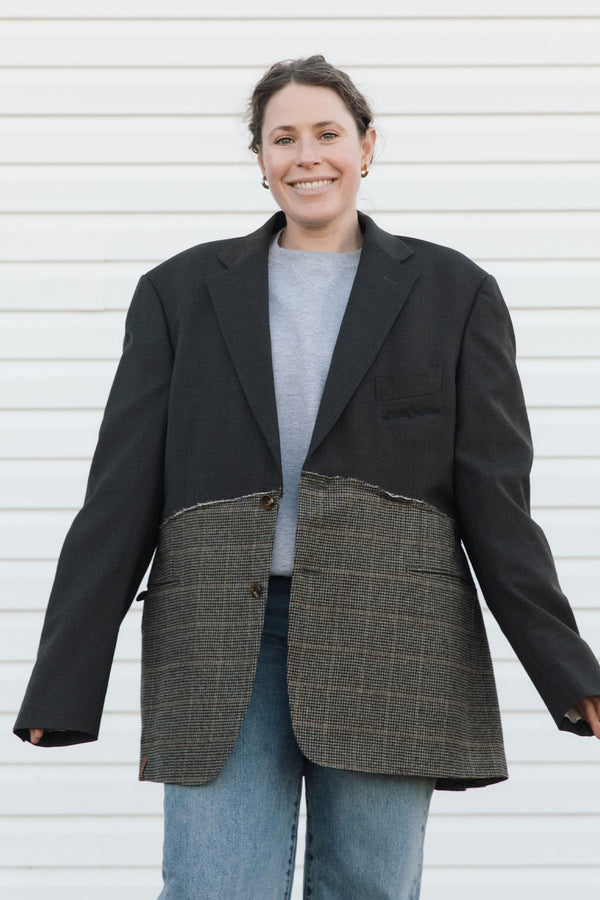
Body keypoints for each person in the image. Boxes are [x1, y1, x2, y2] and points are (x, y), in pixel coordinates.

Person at [14, 55, 600, 899]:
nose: (307, 156)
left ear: (367, 146)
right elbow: (120, 494)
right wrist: (63, 681)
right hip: (219, 638)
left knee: (370, 887)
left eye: (328, 133)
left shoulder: (455, 292)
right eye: (283, 138)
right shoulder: (179, 294)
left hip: (390, 636)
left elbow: (497, 505)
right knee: (214, 886)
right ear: (259, 158)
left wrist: (569, 670)